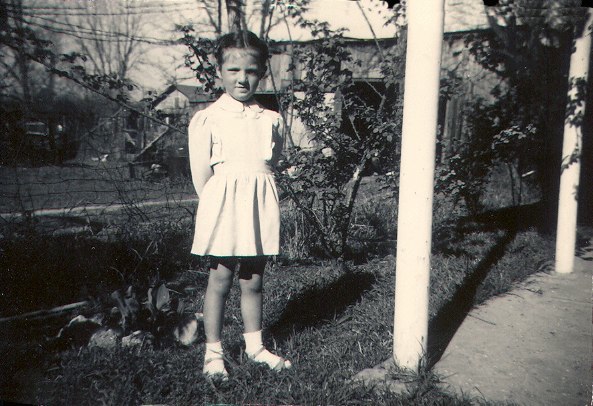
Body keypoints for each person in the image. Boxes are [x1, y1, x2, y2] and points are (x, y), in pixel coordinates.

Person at [188, 30, 291, 380]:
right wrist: (219, 209)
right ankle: (213, 352)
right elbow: (202, 176)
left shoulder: (271, 119)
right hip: (224, 208)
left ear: (262, 72)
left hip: (258, 207)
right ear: (219, 71)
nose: (242, 78)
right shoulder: (208, 118)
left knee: (253, 279)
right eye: (233, 70)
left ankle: (255, 347)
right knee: (220, 278)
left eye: (250, 71)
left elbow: (271, 163)